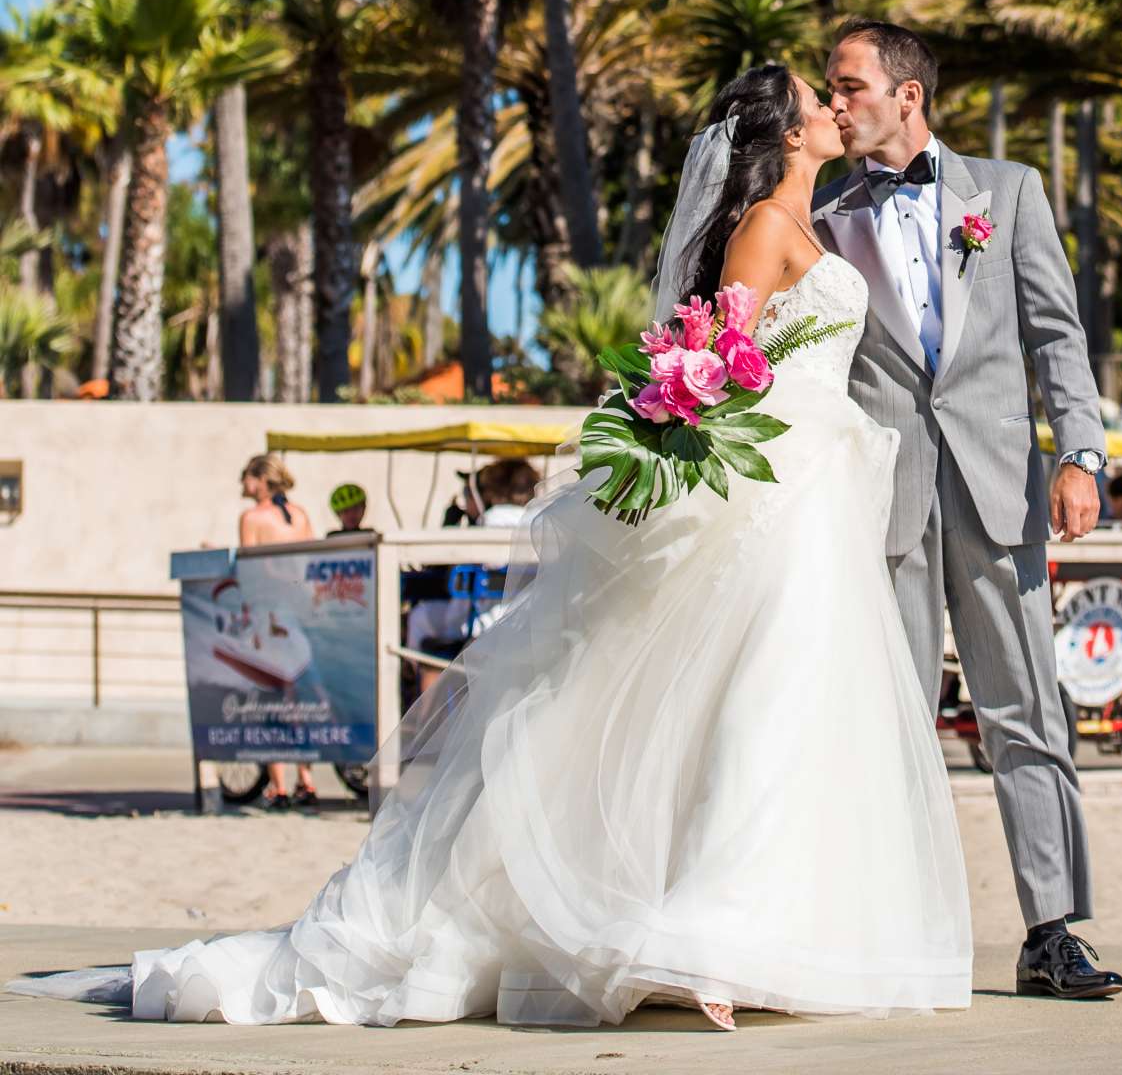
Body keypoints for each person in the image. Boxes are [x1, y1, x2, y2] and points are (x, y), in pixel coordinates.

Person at [18, 65, 969, 1033]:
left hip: (819, 488)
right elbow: (718, 361)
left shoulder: (817, 222)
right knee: (753, 695)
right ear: (788, 131)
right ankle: (703, 939)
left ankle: (762, 931)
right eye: (819, 98)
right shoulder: (765, 227)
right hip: (772, 490)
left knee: (791, 700)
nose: (834, 106)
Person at [819, 18, 1122, 1006]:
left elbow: (1057, 337)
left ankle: (1052, 932)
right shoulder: (821, 215)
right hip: (886, 499)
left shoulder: (1012, 189)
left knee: (1026, 712)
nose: (836, 104)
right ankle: (902, 930)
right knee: (893, 719)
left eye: (850, 86)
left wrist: (1080, 456)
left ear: (908, 96)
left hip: (1002, 490)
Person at [238, 455, 317, 810]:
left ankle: (279, 785)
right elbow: (311, 564)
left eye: (245, 478)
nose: (242, 486)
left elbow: (250, 571)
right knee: (297, 697)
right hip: (299, 610)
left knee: (272, 695)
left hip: (269, 612)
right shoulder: (299, 516)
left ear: (259, 480)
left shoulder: (252, 518)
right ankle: (307, 779)